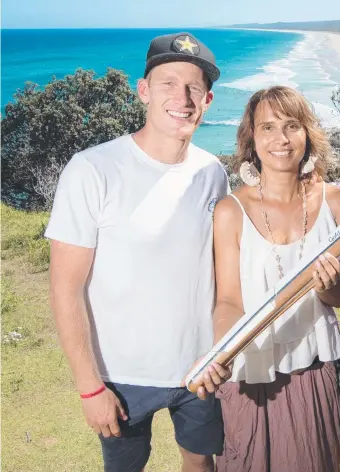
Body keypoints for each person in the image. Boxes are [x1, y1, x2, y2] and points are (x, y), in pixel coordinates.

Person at [46, 32, 231, 472]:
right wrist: (90, 388)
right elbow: (64, 290)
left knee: (201, 465)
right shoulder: (92, 168)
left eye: (193, 88)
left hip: (199, 367)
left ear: (207, 100)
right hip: (121, 373)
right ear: (144, 90)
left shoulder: (212, 172)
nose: (181, 98)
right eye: (168, 83)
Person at [208, 86, 340, 471]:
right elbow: (228, 301)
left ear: (307, 133)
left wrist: (329, 285)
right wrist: (224, 350)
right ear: (251, 138)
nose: (281, 139)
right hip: (251, 368)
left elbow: (339, 298)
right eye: (267, 127)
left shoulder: (337, 202)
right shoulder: (230, 211)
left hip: (313, 366)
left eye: (291, 125)